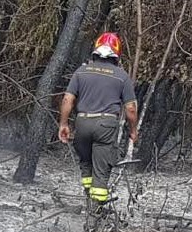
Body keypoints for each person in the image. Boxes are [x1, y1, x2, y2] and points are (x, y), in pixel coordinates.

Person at [58, 32, 139, 210]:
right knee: (101, 172)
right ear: (117, 54)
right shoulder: (121, 76)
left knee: (86, 163)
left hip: (82, 123)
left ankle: (89, 199)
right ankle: (96, 212)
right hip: (106, 126)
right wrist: (133, 130)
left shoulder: (81, 71)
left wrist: (64, 124)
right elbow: (131, 109)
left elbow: (67, 100)